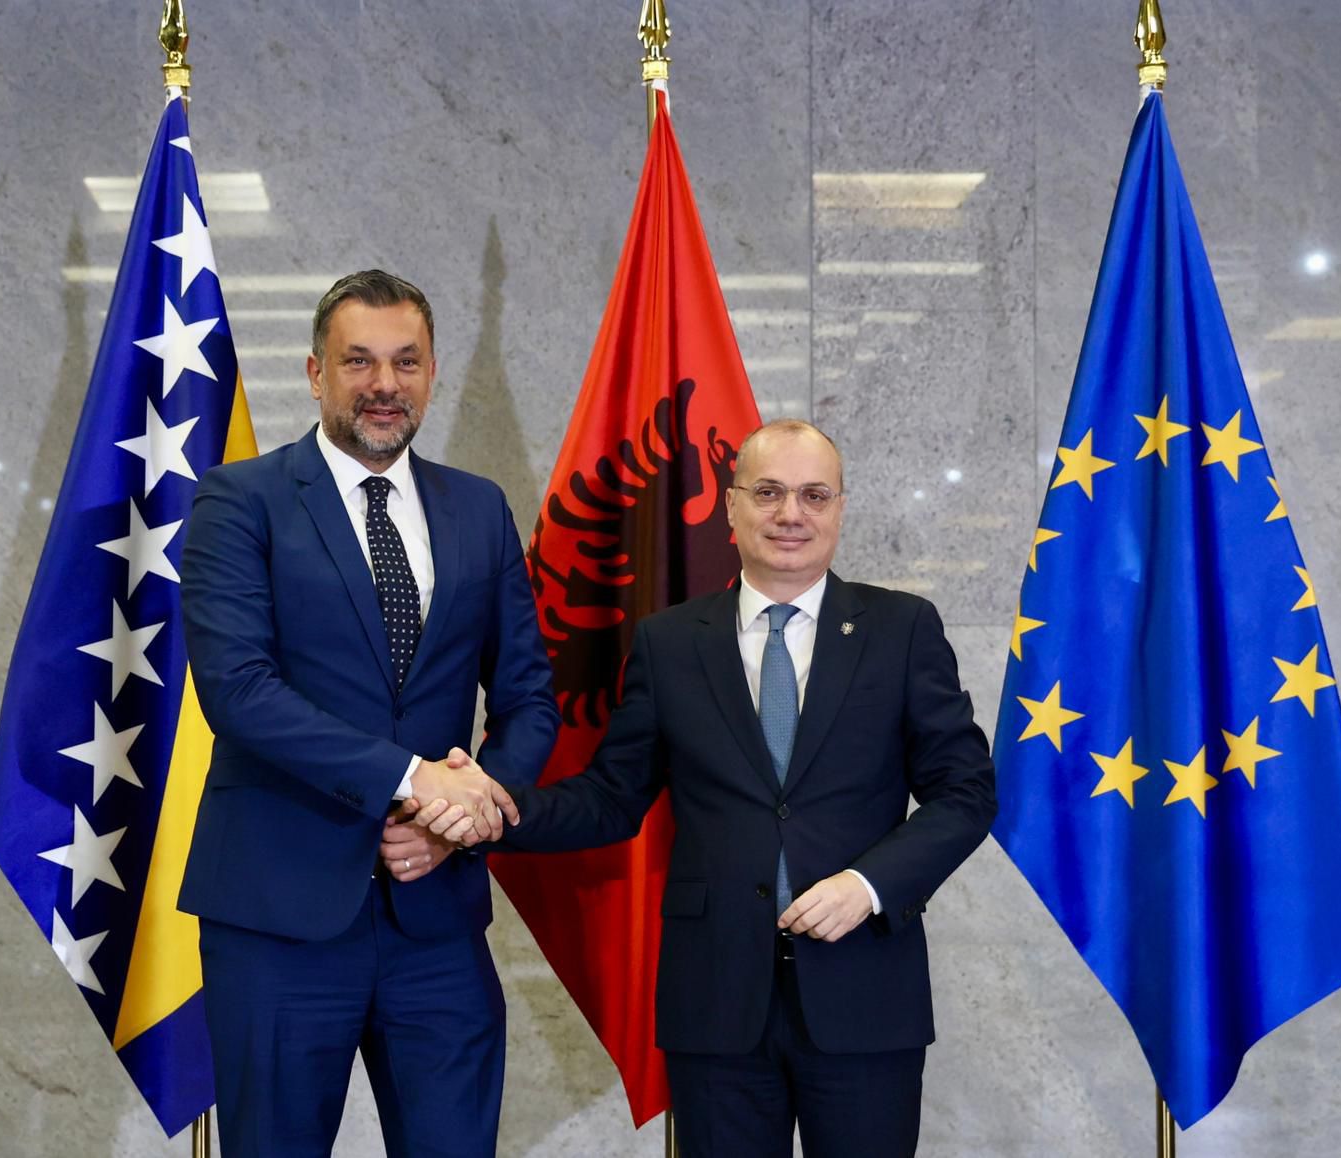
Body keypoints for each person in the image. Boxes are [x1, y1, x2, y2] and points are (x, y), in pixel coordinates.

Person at [430, 418, 996, 1158]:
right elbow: (610, 798)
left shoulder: (902, 629)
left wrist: (867, 885)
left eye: (814, 495)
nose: (791, 514)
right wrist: (494, 807)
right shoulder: (669, 642)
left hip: (865, 994)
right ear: (731, 505)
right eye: (768, 492)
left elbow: (965, 793)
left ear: (839, 509)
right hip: (716, 1002)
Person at [176, 269, 559, 1158]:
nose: (385, 384)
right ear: (316, 373)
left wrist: (463, 818)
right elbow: (239, 691)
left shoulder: (479, 508)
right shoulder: (240, 500)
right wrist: (415, 781)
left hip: (438, 924)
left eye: (406, 362)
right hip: (279, 917)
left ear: (431, 374)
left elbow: (528, 696)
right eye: (359, 361)